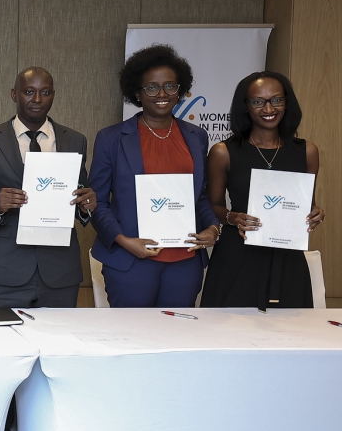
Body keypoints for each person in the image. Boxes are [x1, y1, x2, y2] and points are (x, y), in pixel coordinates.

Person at [89, 45, 221, 308]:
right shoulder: (111, 138)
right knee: (131, 332)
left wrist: (213, 228)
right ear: (137, 93)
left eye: (170, 86)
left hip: (184, 263)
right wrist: (124, 241)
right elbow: (97, 203)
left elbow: (200, 196)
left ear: (180, 90)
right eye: (152, 87)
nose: (162, 94)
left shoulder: (196, 137)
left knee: (178, 331)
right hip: (131, 261)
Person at [0, 67, 97, 308]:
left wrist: (86, 206)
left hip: (59, 271)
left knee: (60, 334)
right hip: (4, 271)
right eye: (29, 92)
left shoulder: (75, 140)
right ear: (14, 94)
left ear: (53, 95)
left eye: (45, 92)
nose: (37, 99)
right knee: (4, 333)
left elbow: (79, 194)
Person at [201, 72, 324, 308]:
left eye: (276, 100)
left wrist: (316, 213)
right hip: (237, 255)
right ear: (245, 106)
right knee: (227, 327)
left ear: (286, 103)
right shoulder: (223, 152)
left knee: (291, 327)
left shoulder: (307, 151)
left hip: (287, 256)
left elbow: (307, 204)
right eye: (258, 101)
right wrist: (233, 217)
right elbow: (212, 206)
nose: (269, 108)